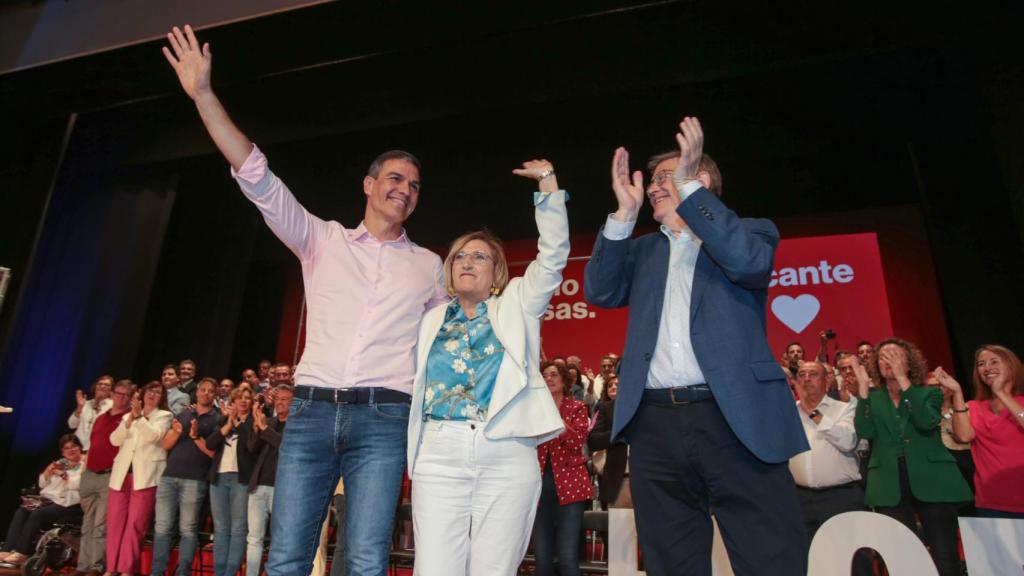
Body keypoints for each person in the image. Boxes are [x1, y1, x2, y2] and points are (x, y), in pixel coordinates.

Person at [163, 24, 446, 576]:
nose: (405, 190)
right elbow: (256, 176)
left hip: (385, 418)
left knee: (365, 559)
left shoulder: (429, 265)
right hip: (313, 412)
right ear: (368, 184)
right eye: (395, 178)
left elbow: (447, 338)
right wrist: (203, 95)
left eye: (414, 185)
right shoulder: (322, 239)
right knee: (288, 555)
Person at [583, 117, 808, 575]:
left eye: (666, 177)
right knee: (672, 562)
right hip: (655, 425)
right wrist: (624, 217)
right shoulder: (643, 252)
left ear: (699, 181)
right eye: (655, 183)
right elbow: (600, 292)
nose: (651, 189)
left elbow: (748, 263)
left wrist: (688, 191)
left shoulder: (752, 232)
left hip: (735, 419)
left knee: (770, 559)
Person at [406, 159, 568, 575]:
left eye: (479, 256)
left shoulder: (516, 303)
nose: (466, 261)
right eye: (459, 255)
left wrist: (548, 186)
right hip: (440, 453)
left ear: (497, 272)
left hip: (506, 450)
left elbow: (551, 259)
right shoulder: (430, 321)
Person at [852, 338, 972, 576]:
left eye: (894, 355)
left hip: (932, 480)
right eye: (883, 357)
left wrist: (904, 382)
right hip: (889, 482)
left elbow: (927, 422)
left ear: (909, 363)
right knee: (902, 555)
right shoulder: (873, 399)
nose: (888, 360)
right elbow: (865, 431)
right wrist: (863, 391)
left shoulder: (928, 393)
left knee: (945, 555)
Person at [934, 344, 1024, 518]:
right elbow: (963, 435)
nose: (987, 367)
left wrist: (1001, 393)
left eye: (994, 361)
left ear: (1010, 365)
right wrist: (957, 393)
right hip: (991, 503)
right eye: (981, 364)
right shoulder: (974, 407)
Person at [150, 377, 220, 576]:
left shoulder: (218, 418)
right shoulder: (184, 413)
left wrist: (195, 436)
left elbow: (212, 453)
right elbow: (165, 445)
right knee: (162, 528)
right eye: (203, 390)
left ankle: (183, 572)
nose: (206, 393)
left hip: (195, 479)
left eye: (210, 391)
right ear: (196, 392)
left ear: (214, 395)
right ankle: (157, 572)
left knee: (187, 529)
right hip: (169, 476)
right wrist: (176, 432)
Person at [105, 381, 173, 576]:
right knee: (115, 524)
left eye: (157, 392)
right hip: (121, 476)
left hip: (145, 477)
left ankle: (126, 569)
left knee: (135, 525)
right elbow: (114, 440)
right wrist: (129, 421)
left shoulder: (164, 416)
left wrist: (140, 418)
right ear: (142, 394)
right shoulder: (128, 415)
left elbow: (154, 437)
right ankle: (111, 568)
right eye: (149, 391)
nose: (152, 395)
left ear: (162, 398)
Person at [533, 361, 594, 576]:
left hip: (571, 488)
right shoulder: (532, 410)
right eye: (544, 375)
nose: (548, 378)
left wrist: (553, 417)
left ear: (564, 380)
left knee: (568, 556)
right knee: (542, 558)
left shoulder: (577, 407)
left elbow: (577, 441)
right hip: (539, 489)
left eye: (553, 374)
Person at [75, 379, 133, 575]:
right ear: (113, 394)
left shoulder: (129, 418)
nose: (121, 398)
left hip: (109, 475)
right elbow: (91, 444)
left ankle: (97, 565)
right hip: (90, 473)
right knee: (87, 523)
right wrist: (84, 470)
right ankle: (83, 565)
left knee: (101, 525)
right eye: (118, 393)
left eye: (126, 395)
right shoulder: (101, 417)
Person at [0, 435, 85, 567]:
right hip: (50, 499)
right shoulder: (61, 463)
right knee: (22, 511)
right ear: (62, 452)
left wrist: (63, 475)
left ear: (80, 447)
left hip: (69, 503)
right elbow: (42, 484)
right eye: (67, 448)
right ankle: (7, 549)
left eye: (74, 446)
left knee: (38, 514)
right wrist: (47, 472)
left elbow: (77, 485)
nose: (71, 450)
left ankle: (23, 553)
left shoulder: (84, 465)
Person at [206, 386, 256, 576]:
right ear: (232, 402)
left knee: (238, 528)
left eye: (247, 398)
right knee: (221, 528)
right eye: (239, 398)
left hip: (240, 479)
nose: (243, 401)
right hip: (218, 478)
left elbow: (252, 447)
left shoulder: (254, 423)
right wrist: (227, 424)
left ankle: (230, 572)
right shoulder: (221, 421)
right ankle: (219, 572)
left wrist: (240, 423)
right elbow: (211, 444)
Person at [245, 384, 294, 576]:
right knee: (254, 538)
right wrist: (257, 425)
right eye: (278, 398)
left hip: (281, 488)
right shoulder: (270, 422)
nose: (279, 402)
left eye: (284, 399)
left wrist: (264, 427)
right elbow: (252, 447)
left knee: (280, 539)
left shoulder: (297, 425)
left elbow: (285, 445)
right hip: (258, 486)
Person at [588, 376, 627, 508]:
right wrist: (620, 433)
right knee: (617, 527)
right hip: (616, 477)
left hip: (646, 476)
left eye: (617, 384)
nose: (614, 387)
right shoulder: (604, 409)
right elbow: (593, 441)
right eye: (610, 385)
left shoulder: (645, 407)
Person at [68, 375, 114, 452]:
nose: (102, 386)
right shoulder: (85, 403)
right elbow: (71, 425)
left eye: (107, 385)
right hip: (77, 449)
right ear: (95, 386)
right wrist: (79, 408)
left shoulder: (113, 406)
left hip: (95, 450)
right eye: (100, 384)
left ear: (111, 390)